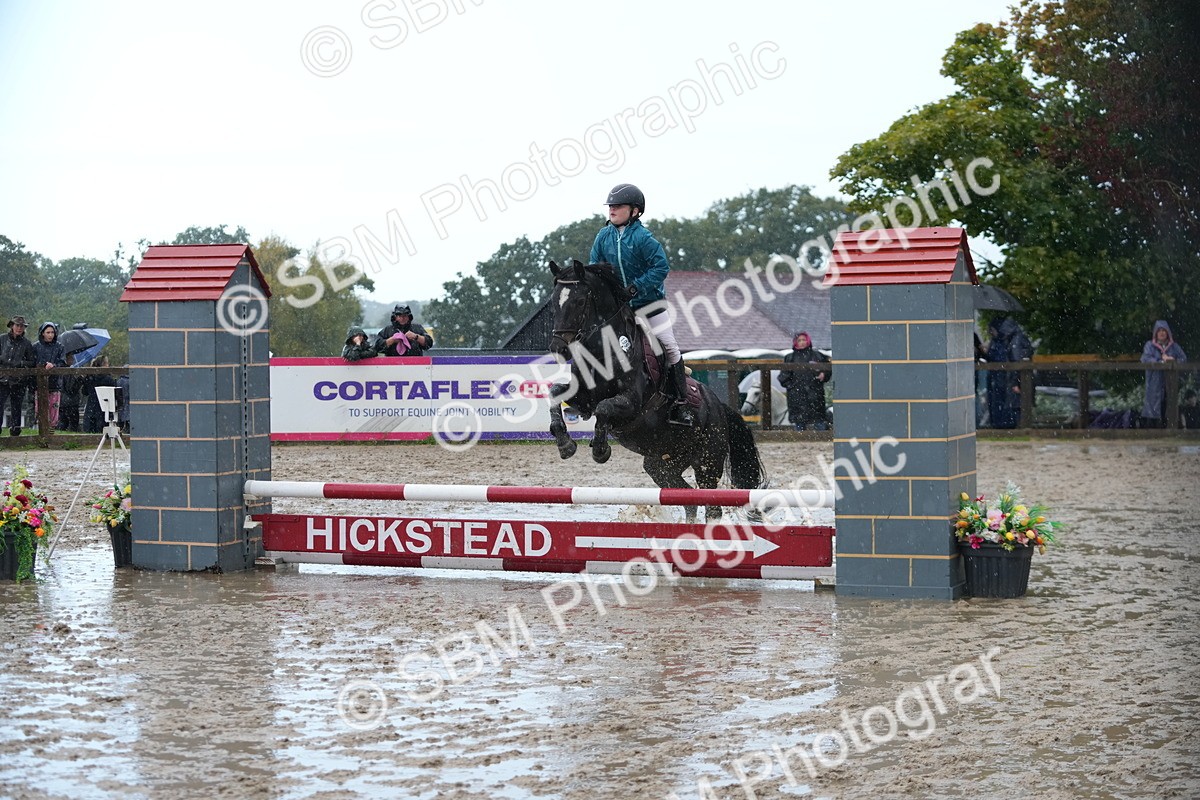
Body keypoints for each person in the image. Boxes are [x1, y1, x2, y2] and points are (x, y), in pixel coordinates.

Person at [589, 183, 693, 426]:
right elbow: (595, 268)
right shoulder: (603, 236)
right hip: (619, 308)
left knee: (669, 347)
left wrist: (636, 287)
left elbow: (661, 268)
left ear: (635, 211)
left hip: (649, 304)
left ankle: (681, 403)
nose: (612, 210)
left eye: (618, 206)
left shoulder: (644, 238)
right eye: (610, 206)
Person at [985, 315, 1034, 429]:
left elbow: (1016, 361)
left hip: (1007, 378)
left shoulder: (1013, 341)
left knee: (1012, 404)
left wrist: (1016, 382)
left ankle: (1010, 426)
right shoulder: (1012, 339)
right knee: (1009, 404)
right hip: (1006, 378)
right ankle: (1011, 426)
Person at [779, 332, 832, 431]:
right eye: (799, 340)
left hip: (815, 394)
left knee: (819, 422)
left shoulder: (818, 356)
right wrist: (792, 386)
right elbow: (783, 376)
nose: (802, 342)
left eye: (804, 340)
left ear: (808, 341)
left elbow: (828, 368)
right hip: (797, 396)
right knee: (799, 423)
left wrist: (824, 374)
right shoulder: (790, 358)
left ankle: (822, 439)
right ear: (795, 342)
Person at [1140, 320, 1187, 427]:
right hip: (1154, 383)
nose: (1162, 333)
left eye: (1164, 331)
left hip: (1169, 383)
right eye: (1159, 331)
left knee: (1168, 406)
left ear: (1168, 333)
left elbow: (1183, 359)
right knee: (1152, 409)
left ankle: (1169, 431)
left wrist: (1172, 360)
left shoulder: (1174, 347)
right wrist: (1161, 361)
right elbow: (1145, 359)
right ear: (1156, 333)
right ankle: (1152, 433)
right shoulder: (1149, 346)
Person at [1, 315, 37, 436]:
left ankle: (15, 430)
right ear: (12, 326)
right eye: (17, 325)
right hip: (2, 379)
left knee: (17, 406)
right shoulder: (2, 339)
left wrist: (20, 363)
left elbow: (32, 362)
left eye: (22, 326)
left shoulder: (26, 344)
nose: (19, 328)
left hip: (19, 380)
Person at [31, 322, 66, 429]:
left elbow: (63, 362)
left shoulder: (59, 347)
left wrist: (54, 365)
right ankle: (40, 433)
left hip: (55, 384)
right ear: (42, 333)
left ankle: (51, 432)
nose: (50, 335)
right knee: (40, 409)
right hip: (39, 384)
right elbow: (32, 362)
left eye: (52, 332)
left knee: (54, 410)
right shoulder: (35, 347)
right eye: (48, 332)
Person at [82, 354, 115, 434]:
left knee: (90, 430)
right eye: (107, 363)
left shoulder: (90, 377)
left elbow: (84, 392)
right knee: (102, 431)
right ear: (103, 364)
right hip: (104, 407)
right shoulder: (108, 378)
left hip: (91, 407)